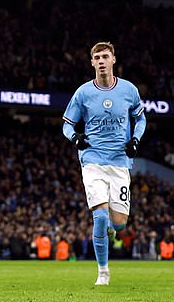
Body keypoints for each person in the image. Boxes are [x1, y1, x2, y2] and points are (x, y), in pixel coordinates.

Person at [62, 41, 146, 285]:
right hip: (92, 161)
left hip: (120, 162)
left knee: (119, 225)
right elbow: (67, 124)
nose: (100, 60)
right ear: (92, 63)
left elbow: (141, 120)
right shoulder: (83, 93)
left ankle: (112, 228)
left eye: (104, 56)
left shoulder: (129, 90)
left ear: (113, 60)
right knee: (99, 217)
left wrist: (135, 140)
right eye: (96, 57)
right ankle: (103, 272)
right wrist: (75, 137)